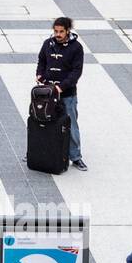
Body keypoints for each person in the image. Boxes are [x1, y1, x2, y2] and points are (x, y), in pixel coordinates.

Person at [36, 16, 86, 170]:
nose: (58, 34)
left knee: (71, 124)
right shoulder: (48, 44)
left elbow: (76, 72)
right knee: (42, 121)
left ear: (68, 31)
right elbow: (41, 60)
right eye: (56, 31)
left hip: (67, 95)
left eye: (61, 32)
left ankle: (75, 156)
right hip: (47, 93)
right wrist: (40, 74)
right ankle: (37, 151)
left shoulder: (76, 48)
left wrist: (61, 87)